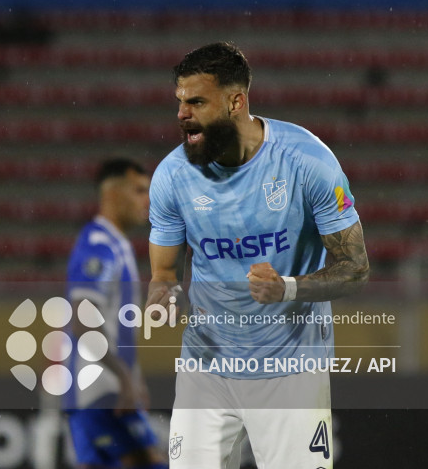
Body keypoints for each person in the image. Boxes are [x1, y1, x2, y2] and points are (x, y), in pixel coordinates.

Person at [145, 42, 370, 468]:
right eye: (179, 102)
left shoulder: (306, 162)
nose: (181, 115)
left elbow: (356, 269)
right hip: (206, 368)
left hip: (292, 372)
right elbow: (163, 272)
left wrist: (285, 288)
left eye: (196, 101)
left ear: (236, 101)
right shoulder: (173, 177)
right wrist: (166, 294)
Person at [63, 158, 168, 469]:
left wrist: (132, 378)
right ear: (111, 194)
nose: (147, 200)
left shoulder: (116, 245)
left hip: (108, 390)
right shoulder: (99, 245)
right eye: (138, 190)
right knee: (148, 461)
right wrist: (124, 377)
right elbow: (84, 317)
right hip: (99, 392)